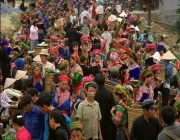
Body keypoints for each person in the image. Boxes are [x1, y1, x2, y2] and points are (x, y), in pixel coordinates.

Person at [94, 74, 115, 140]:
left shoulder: (95, 94)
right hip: (109, 123)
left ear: (96, 83)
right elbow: (113, 107)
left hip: (98, 124)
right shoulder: (109, 93)